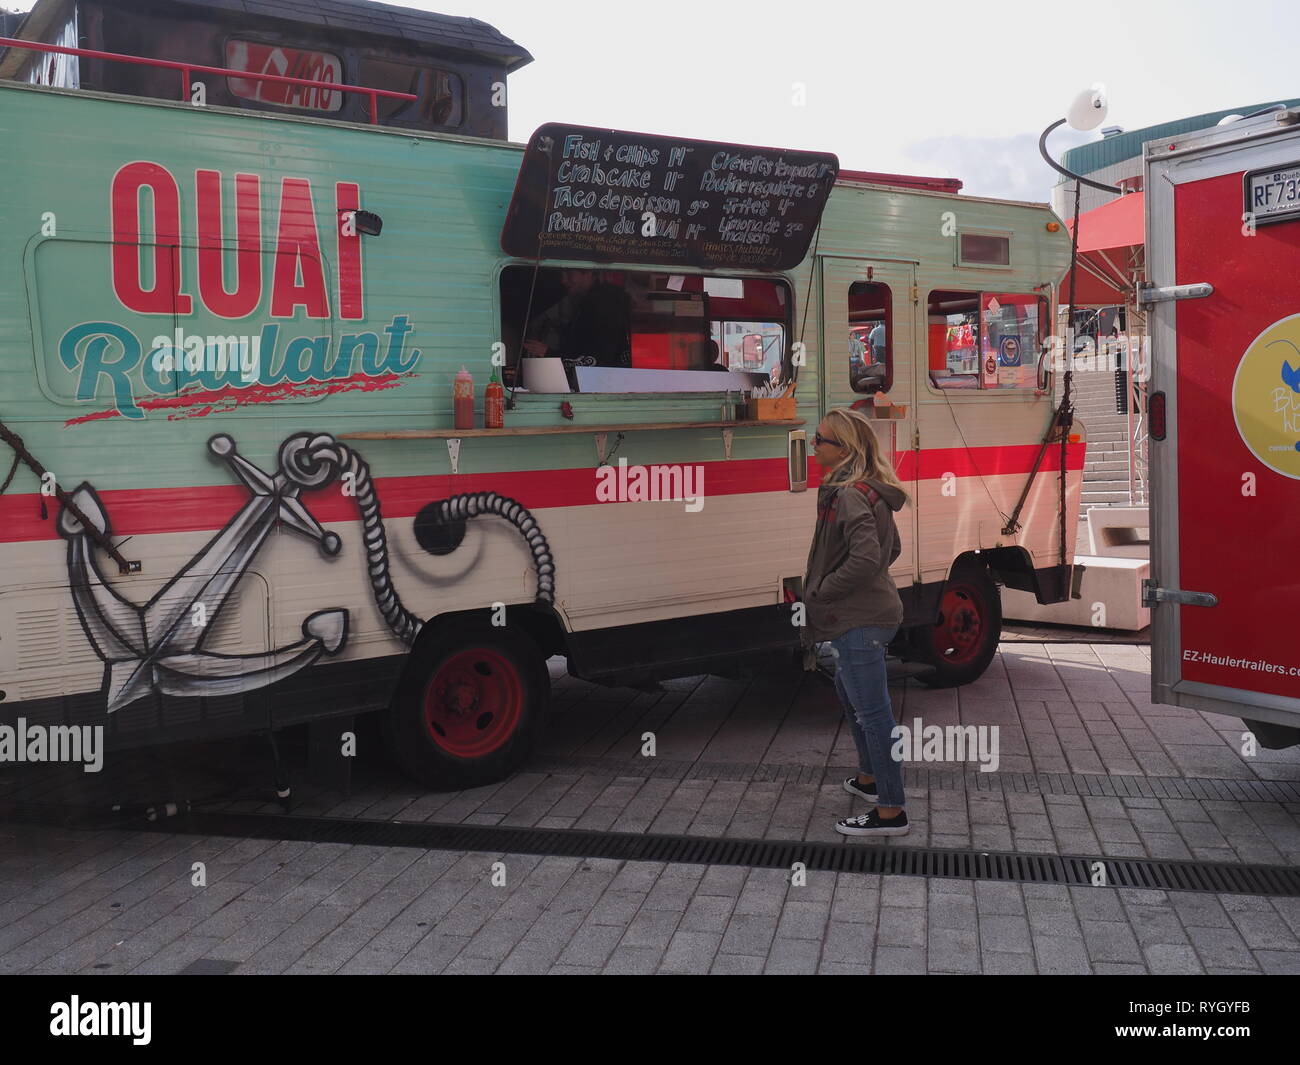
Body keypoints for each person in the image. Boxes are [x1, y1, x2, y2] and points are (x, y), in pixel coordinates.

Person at [802, 407, 910, 836]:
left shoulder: (849, 495)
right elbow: (893, 549)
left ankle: (890, 811)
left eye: (820, 439)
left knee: (874, 715)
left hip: (860, 620)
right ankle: (869, 781)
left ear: (843, 449)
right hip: (866, 614)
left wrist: (826, 588)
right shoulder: (860, 490)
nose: (813, 445)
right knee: (851, 698)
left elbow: (868, 558)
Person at [522, 268, 631, 368]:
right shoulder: (588, 302)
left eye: (569, 274)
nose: (563, 280)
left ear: (589, 273)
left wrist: (548, 353)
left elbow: (598, 359)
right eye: (562, 274)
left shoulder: (605, 304)